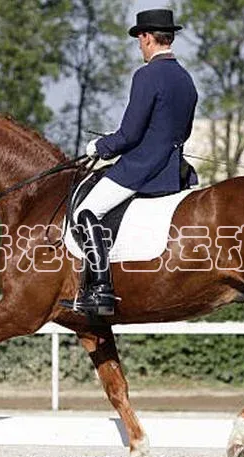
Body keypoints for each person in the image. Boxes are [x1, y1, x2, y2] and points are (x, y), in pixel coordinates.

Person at [59, 8, 199, 316]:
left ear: (147, 37)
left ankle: (100, 290)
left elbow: (130, 133)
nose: (139, 45)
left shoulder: (147, 75)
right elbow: (183, 129)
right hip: (175, 168)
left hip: (142, 169)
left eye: (140, 39)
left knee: (85, 212)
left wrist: (100, 146)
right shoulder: (186, 79)